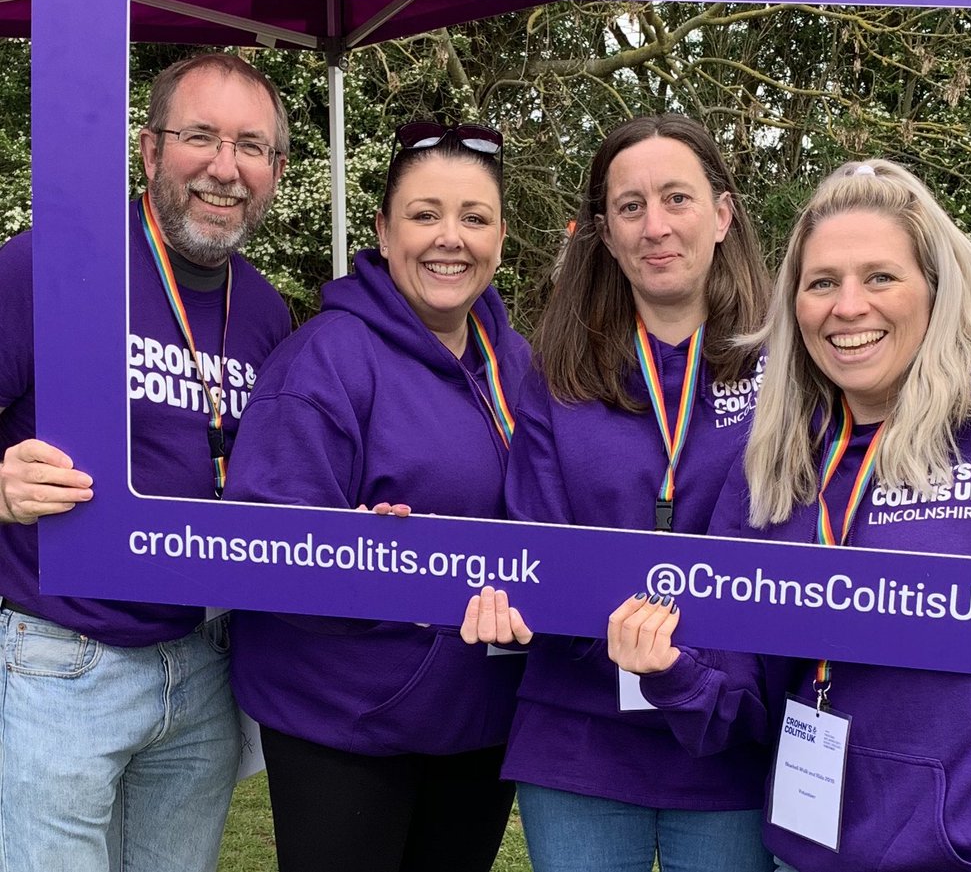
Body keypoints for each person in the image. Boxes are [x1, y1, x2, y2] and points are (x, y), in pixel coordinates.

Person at [610, 158, 971, 872]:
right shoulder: (773, 467)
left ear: (935, 289)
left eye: (880, 276)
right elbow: (743, 701)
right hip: (823, 853)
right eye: (822, 282)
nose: (848, 306)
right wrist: (670, 670)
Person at [0, 52, 291, 872]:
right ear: (150, 148)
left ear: (274, 169)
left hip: (203, 668)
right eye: (201, 136)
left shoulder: (267, 309)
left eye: (251, 146)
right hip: (65, 659)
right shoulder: (50, 265)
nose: (225, 168)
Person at [464, 114, 778, 872]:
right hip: (580, 739)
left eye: (677, 197)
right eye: (630, 206)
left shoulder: (787, 367)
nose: (656, 225)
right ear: (604, 232)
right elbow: (540, 542)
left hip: (726, 735)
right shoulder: (557, 372)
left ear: (723, 214)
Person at [224, 121, 531, 872]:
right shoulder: (324, 360)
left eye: (474, 217)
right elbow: (265, 548)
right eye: (425, 214)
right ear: (384, 231)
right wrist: (360, 558)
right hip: (349, 722)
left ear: (501, 236)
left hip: (480, 719)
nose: (449, 238)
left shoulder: (514, 358)